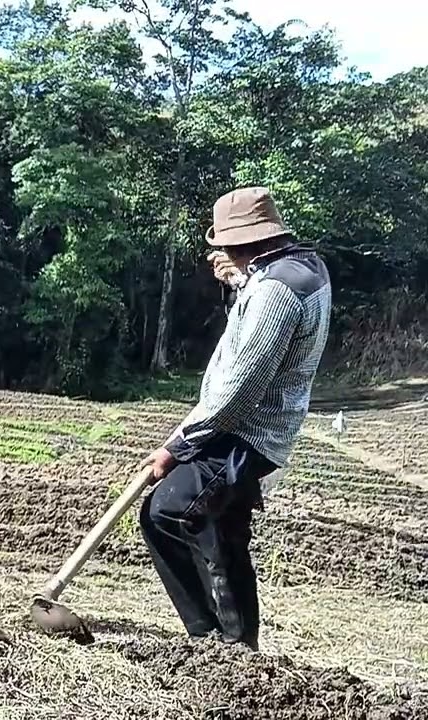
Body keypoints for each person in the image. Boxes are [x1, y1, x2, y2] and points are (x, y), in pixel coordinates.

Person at [138, 186, 332, 651]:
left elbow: (239, 390)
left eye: (227, 247)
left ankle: (215, 642)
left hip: (244, 433)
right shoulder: (303, 268)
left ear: (243, 244)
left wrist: (175, 448)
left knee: (170, 513)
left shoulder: (276, 292)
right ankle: (239, 646)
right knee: (223, 528)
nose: (223, 254)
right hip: (257, 429)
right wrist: (242, 282)